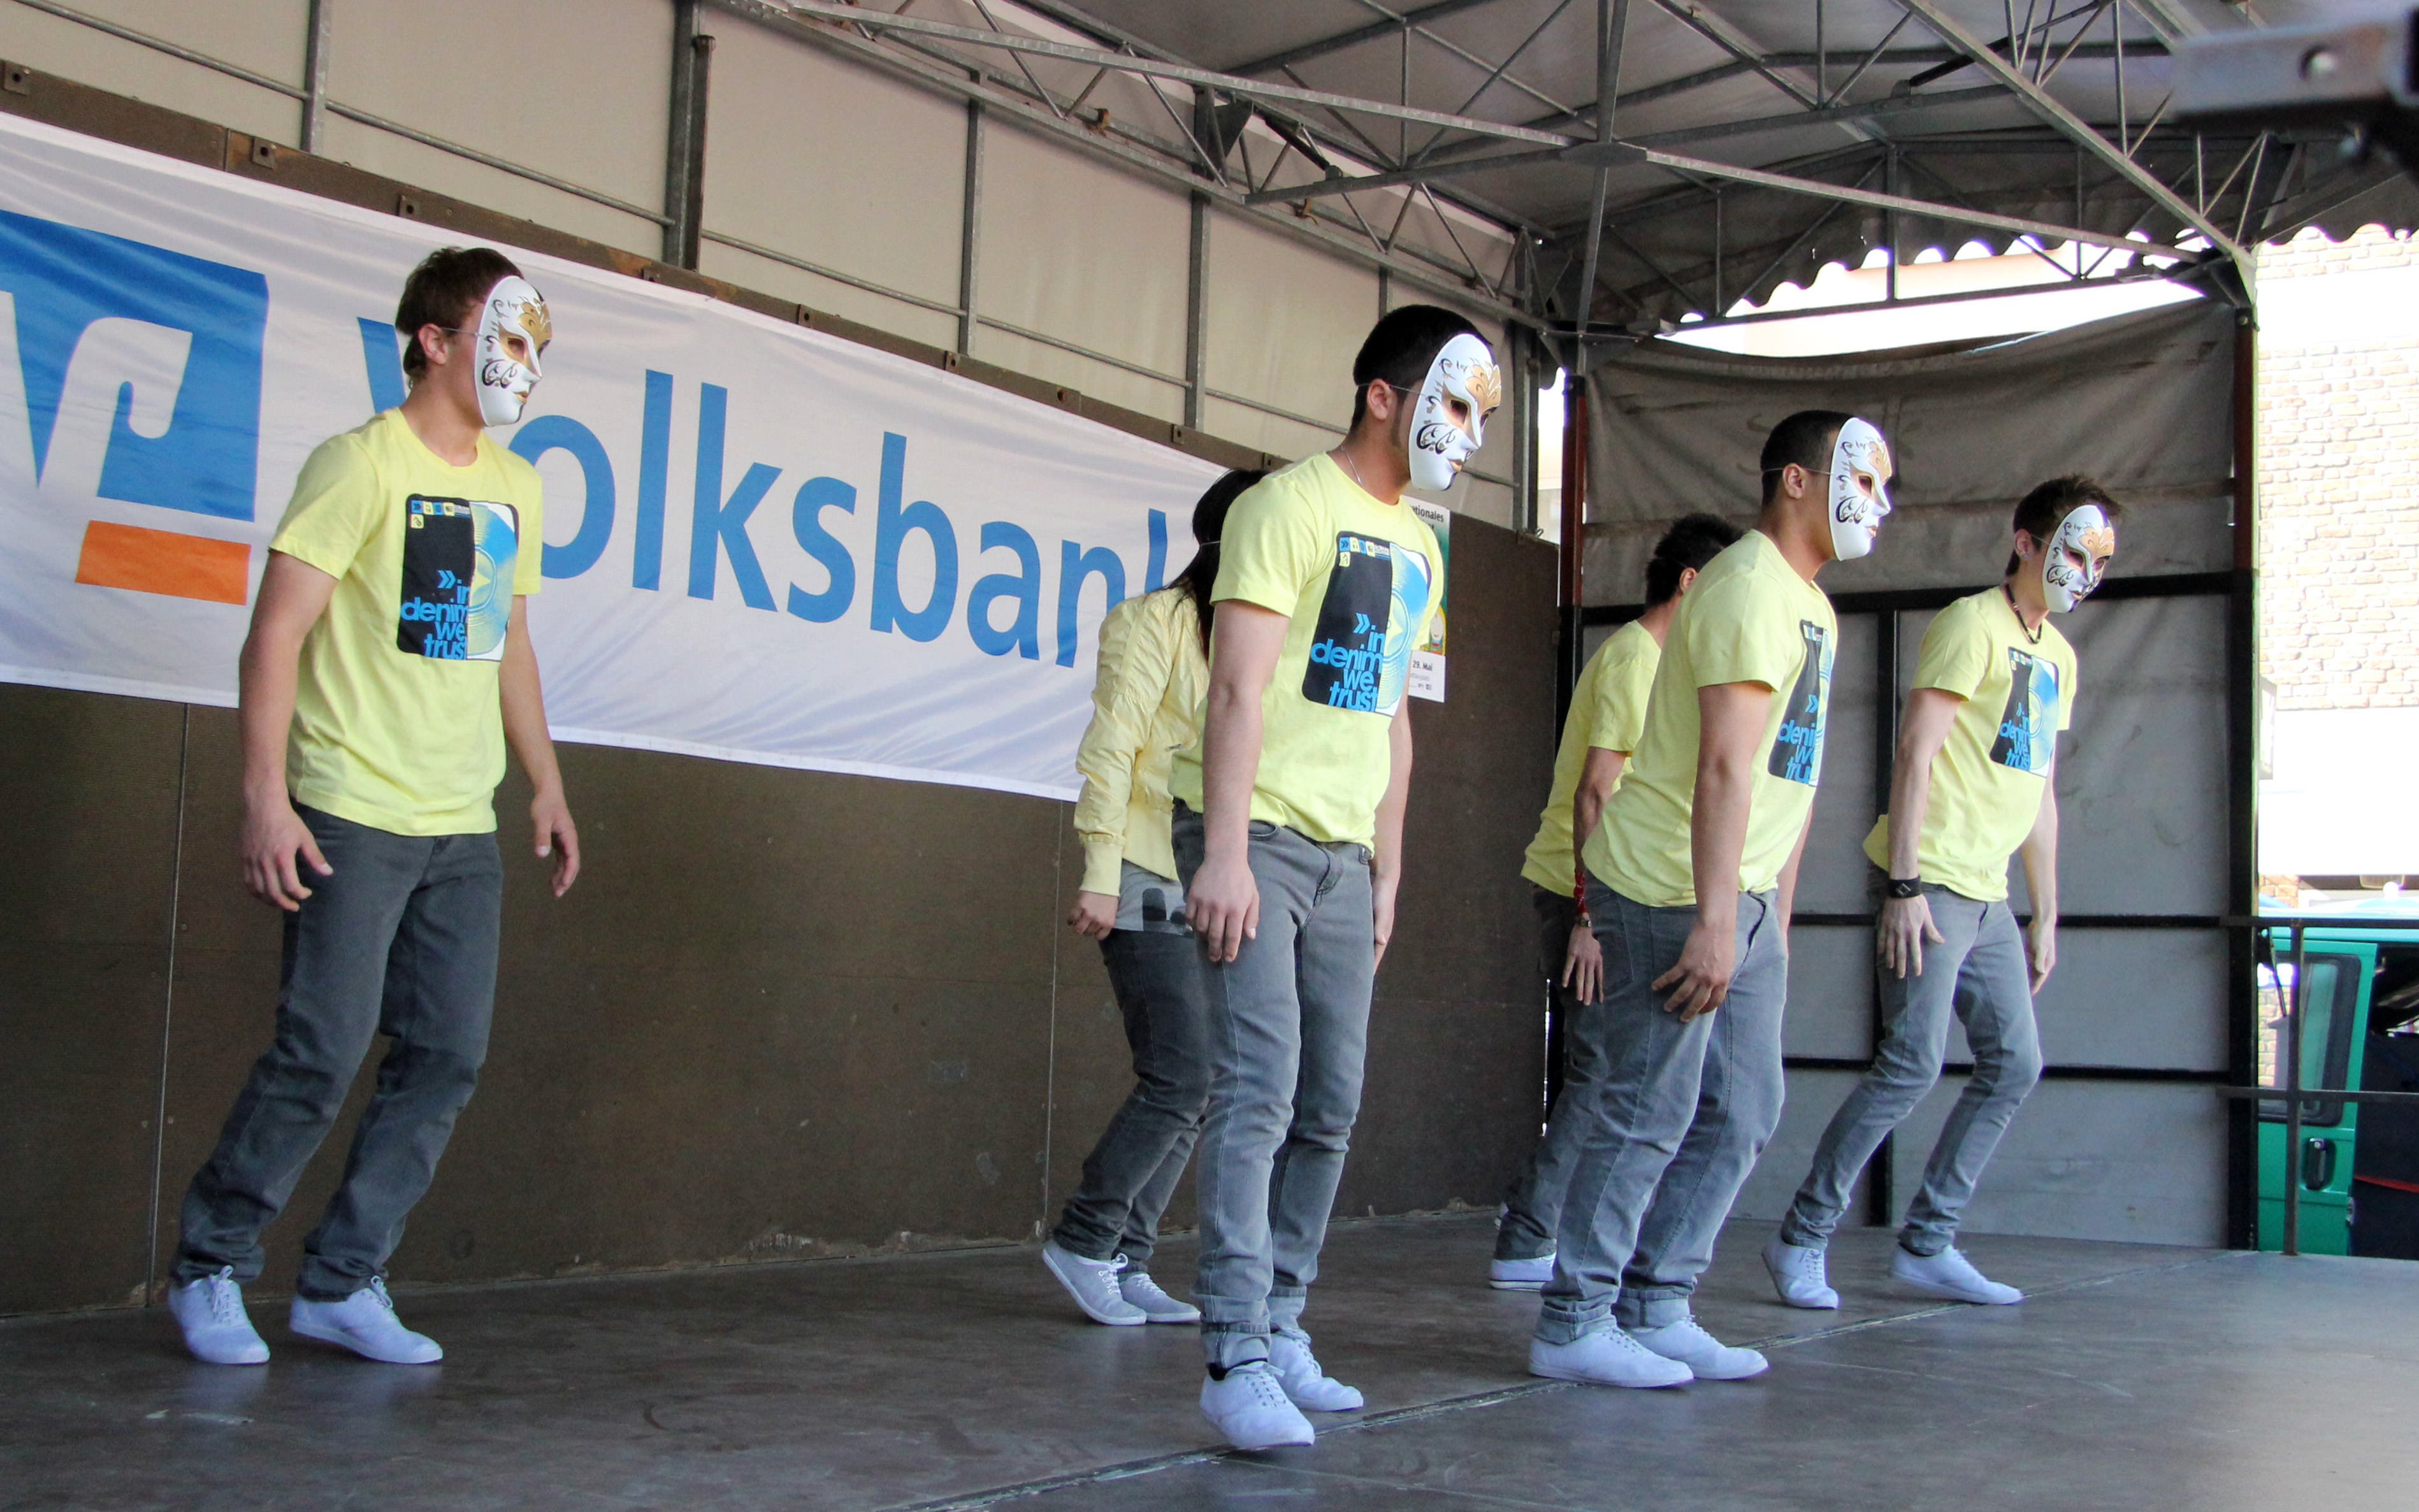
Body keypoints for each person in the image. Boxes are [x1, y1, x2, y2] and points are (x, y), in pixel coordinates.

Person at [165, 247, 579, 1367]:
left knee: (446, 1054)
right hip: (352, 806)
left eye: (535, 344)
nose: (524, 364)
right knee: (322, 1048)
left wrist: (543, 779)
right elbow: (275, 635)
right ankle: (211, 1264)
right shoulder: (358, 464)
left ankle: (342, 1281)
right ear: (435, 342)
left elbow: (509, 641)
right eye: (504, 337)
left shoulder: (518, 485)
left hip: (461, 821)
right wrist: (266, 798)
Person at [1172, 306, 1487, 1448]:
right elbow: (1237, 687)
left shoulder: (1425, 545)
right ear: (1383, 397)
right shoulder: (1286, 506)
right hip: (1256, 833)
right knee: (1259, 1086)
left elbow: (1394, 712)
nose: (1469, 432)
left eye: (1482, 414)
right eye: (1455, 403)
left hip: (1348, 857)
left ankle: (1283, 1318)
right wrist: (1222, 850)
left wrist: (1389, 866)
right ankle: (1235, 1354)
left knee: (1332, 1099)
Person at [1530, 410, 1893, 1390]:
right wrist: (1716, 919)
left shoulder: (1812, 607)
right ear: (1796, 481)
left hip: (1743, 894)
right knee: (1647, 1105)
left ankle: (1656, 1303)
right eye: (1863, 479)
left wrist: (1775, 912)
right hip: (1667, 886)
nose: (1879, 503)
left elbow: (1793, 774)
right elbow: (1725, 766)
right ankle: (1573, 1320)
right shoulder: (1744, 586)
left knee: (1744, 1108)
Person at [1766, 477, 2121, 1310]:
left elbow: (2038, 789)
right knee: (1911, 1065)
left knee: (2015, 1063)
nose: (2086, 573)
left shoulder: (2060, 658)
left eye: (2100, 561)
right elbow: (1915, 753)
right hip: (1930, 881)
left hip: (1987, 895)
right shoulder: (1971, 625)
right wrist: (1904, 884)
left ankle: (1928, 1241)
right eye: (2073, 551)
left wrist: (2046, 911)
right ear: (2026, 542)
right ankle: (1803, 1235)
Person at [1491, 514, 1743, 1290]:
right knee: (1603, 1069)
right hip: (1587, 892)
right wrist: (1588, 916)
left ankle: (1540, 1232)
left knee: (1609, 1069)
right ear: (1691, 585)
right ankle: (1530, 1236)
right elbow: (1596, 790)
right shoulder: (1638, 658)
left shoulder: (1662, 661)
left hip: (1605, 890)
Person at [1039, 468, 1265, 1327]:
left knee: (1201, 1081)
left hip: (1210, 876)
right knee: (1181, 1072)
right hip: (1141, 866)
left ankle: (1127, 1255)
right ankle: (1086, 1238)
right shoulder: (1151, 622)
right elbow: (1111, 748)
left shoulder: (1251, 640)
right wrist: (1099, 872)